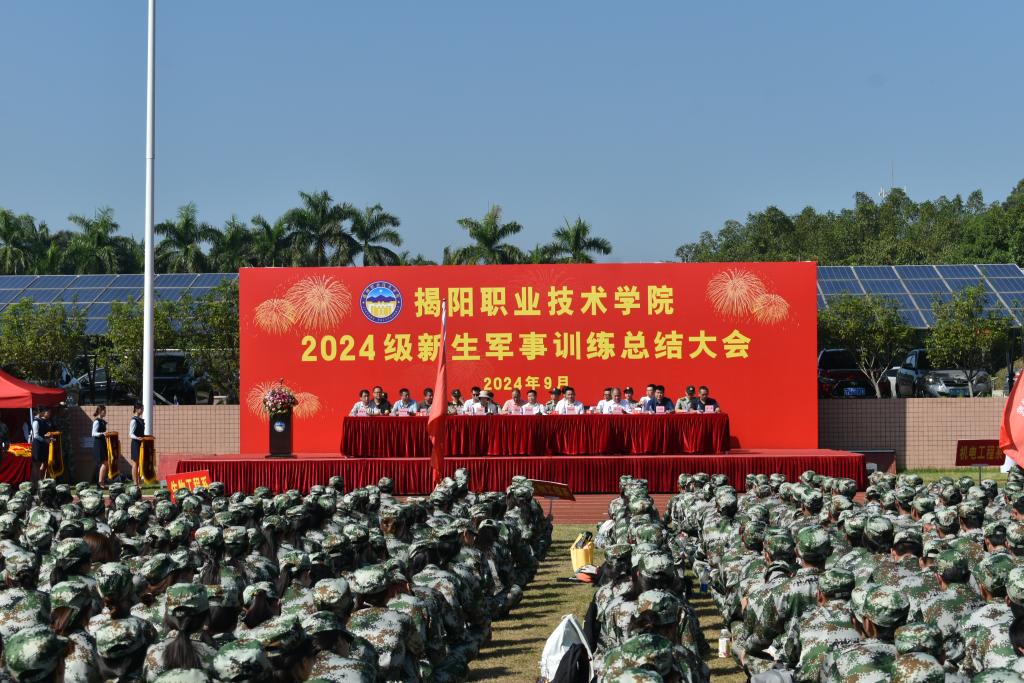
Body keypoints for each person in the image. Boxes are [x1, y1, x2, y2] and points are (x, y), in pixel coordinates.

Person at [31, 406, 55, 485]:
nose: (45, 413)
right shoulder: (36, 422)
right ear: (40, 412)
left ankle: (40, 481)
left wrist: (49, 438)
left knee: (43, 463)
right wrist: (45, 440)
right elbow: (36, 435)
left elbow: (43, 433)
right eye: (43, 411)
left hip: (43, 445)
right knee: (36, 465)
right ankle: (36, 482)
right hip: (37, 445)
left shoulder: (42, 421)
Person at [93, 405, 110, 487]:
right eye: (104, 411)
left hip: (103, 443)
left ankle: (101, 482)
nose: (105, 412)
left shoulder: (102, 421)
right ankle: (100, 482)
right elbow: (93, 433)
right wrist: (102, 433)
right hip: (98, 444)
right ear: (100, 411)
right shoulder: (96, 421)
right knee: (104, 462)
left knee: (105, 462)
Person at [129, 403, 145, 487]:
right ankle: (135, 482)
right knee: (135, 463)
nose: (142, 410)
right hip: (135, 443)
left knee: (140, 463)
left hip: (141, 443)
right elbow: (131, 434)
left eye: (143, 409)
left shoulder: (140, 419)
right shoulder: (134, 420)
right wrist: (137, 438)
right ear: (136, 409)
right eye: (141, 409)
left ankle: (139, 482)